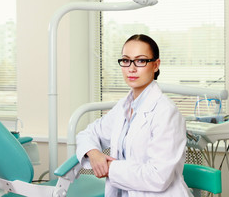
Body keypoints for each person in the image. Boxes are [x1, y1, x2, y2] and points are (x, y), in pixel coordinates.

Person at [76, 34, 192, 196]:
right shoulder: (124, 106)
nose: (131, 68)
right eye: (126, 60)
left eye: (141, 60)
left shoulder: (166, 112)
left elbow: (158, 177)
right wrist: (94, 154)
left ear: (156, 65)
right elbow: (88, 133)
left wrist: (108, 167)